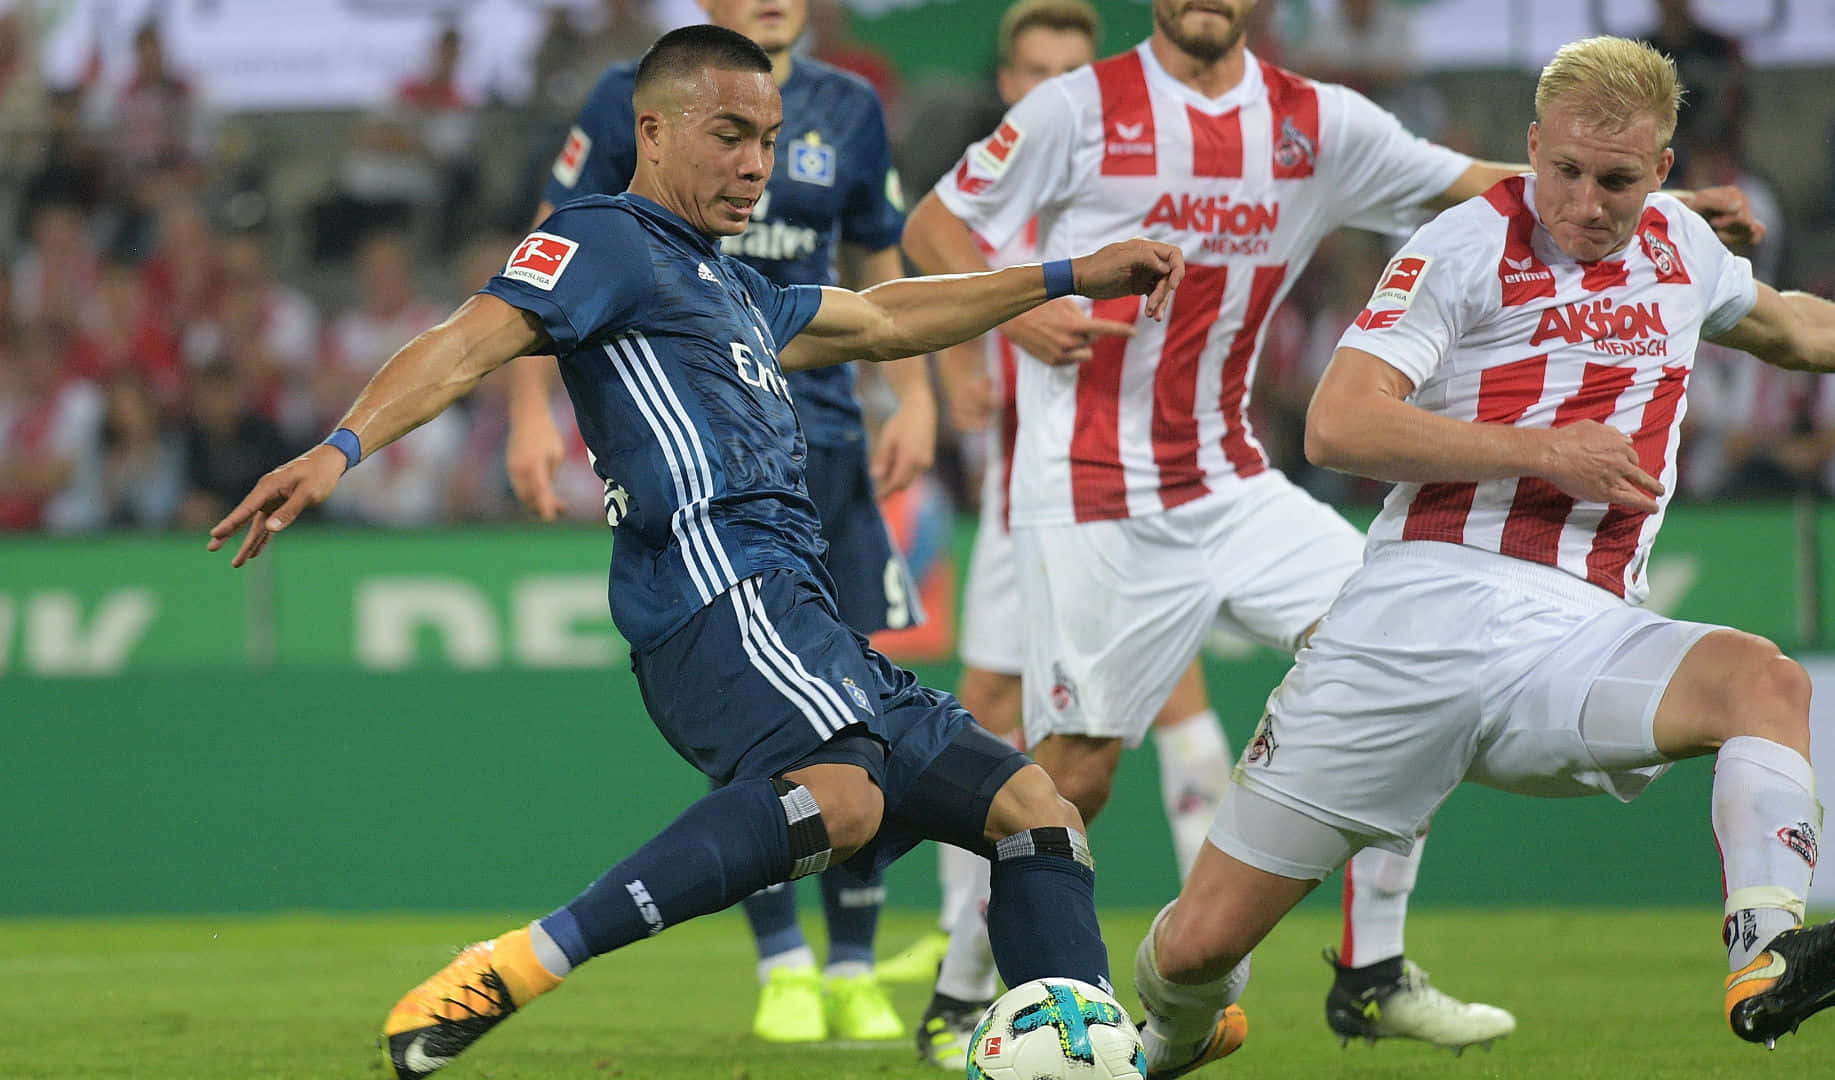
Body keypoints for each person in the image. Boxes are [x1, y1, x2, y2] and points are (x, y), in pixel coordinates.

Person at [205, 26, 1183, 1080]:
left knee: (1038, 814)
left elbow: (885, 319)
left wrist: (1068, 274)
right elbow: (465, 342)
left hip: (801, 606)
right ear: (654, 131)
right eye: (729, 135)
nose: (756, 164)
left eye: (767, 139)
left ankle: (1083, 1052)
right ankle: (521, 963)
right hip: (714, 591)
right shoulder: (604, 240)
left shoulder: (733, 286)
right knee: (845, 798)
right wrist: (340, 449)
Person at [905, 0, 1764, 1055]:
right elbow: (934, 225)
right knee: (1075, 775)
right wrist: (1019, 306)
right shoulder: (1079, 106)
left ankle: (1371, 973)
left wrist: (1650, 195)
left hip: (1232, 479)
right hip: (1094, 487)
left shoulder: (1316, 121)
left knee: (1409, 644)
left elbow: (1477, 178)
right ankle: (960, 995)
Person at [1130, 36, 1835, 1078]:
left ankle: (1765, 960)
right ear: (1534, 145)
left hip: (1575, 636)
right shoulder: (1462, 244)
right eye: (1567, 172)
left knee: (1764, 683)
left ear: (1663, 169)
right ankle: (1171, 1037)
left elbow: (1794, 331)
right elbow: (1337, 423)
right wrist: (1542, 451)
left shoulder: (1684, 248)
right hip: (1407, 630)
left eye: (1618, 182)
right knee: (1197, 948)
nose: (1586, 204)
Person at [504, 0, 940, 1045]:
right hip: (706, 442)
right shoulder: (636, 99)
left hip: (826, 434)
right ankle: (783, 963)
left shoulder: (851, 106)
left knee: (857, 700)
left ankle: (852, 965)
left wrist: (915, 398)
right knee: (765, 708)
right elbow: (543, 262)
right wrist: (529, 413)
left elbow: (878, 264)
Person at [902, 2, 1231, 1068]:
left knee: (1159, 716)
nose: (1054, 90)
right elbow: (918, 280)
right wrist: (966, 364)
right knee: (1002, 740)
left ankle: (1205, 976)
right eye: (1035, 72)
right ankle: (968, 977)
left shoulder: (1132, 202)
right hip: (1023, 509)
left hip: (1133, 498)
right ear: (1007, 85)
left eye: (1071, 73)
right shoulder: (989, 215)